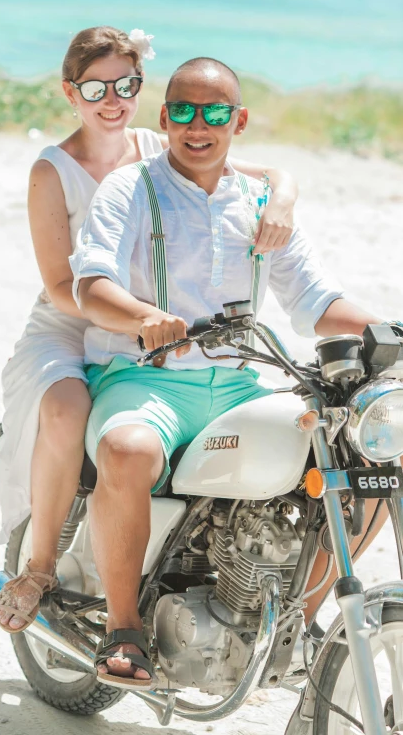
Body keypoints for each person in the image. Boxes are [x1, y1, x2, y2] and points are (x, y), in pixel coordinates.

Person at [70, 56, 386, 689]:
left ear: (237, 121)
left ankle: (302, 621)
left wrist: (385, 332)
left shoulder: (265, 206)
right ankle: (125, 627)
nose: (198, 125)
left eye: (215, 113)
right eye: (183, 110)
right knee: (126, 449)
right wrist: (141, 315)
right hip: (144, 377)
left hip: (239, 384)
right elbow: (90, 283)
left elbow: (316, 303)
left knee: (364, 461)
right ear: (165, 118)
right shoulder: (130, 188)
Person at [0, 27, 300, 633]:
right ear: (70, 92)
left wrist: (284, 198)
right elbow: (62, 284)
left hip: (161, 326)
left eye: (125, 85)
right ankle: (39, 565)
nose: (111, 99)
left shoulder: (153, 142)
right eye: (95, 87)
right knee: (65, 408)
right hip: (74, 318)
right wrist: (135, 319)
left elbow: (253, 170)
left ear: (141, 90)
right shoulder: (52, 169)